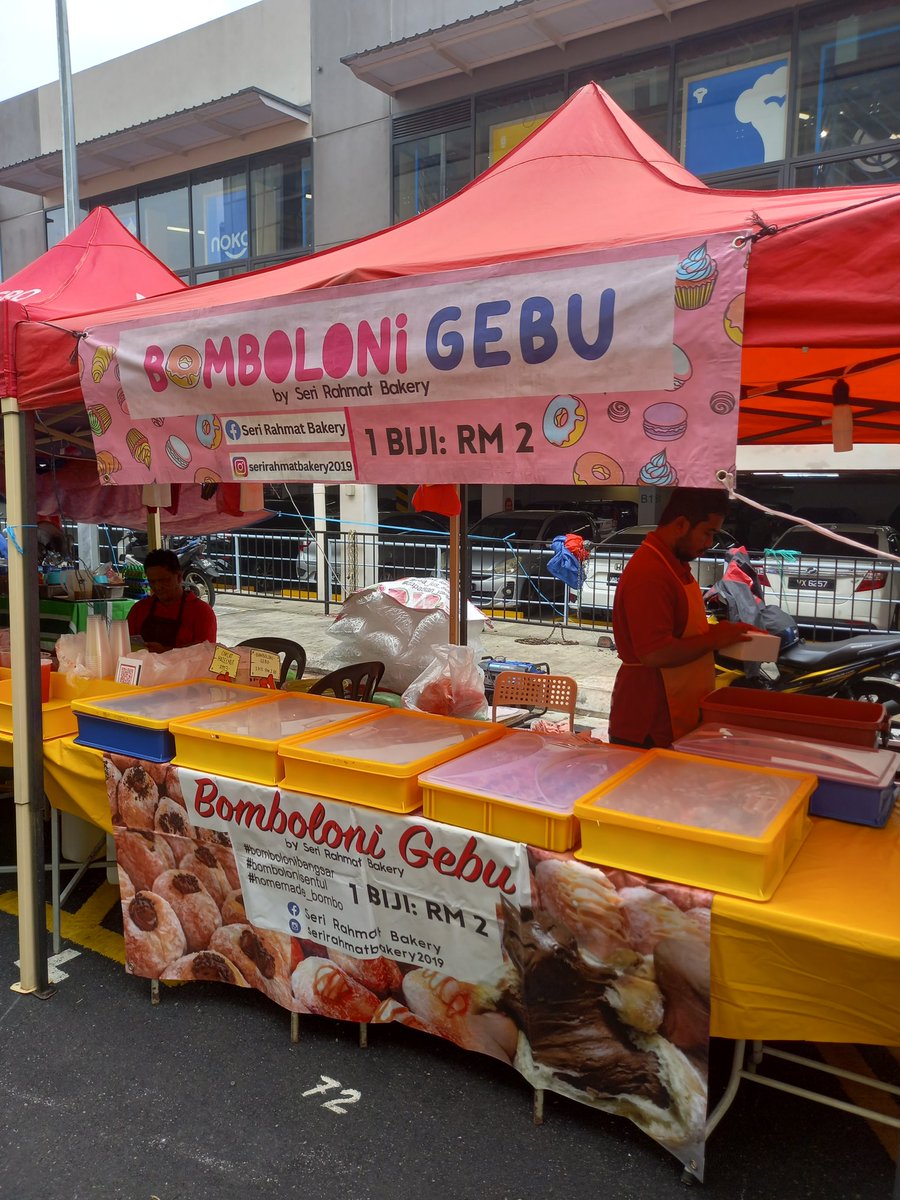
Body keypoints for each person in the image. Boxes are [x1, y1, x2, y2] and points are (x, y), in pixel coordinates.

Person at [608, 488, 755, 748]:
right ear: (681, 524)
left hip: (674, 712)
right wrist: (714, 639)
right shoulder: (650, 572)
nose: (710, 543)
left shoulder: (673, 564)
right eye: (708, 532)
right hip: (648, 722)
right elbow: (654, 653)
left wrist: (718, 633)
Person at [127, 548, 217, 653]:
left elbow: (206, 653)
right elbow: (127, 646)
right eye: (152, 581)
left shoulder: (201, 612)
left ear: (179, 577)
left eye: (164, 580)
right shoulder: (139, 609)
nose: (158, 586)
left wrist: (166, 651)